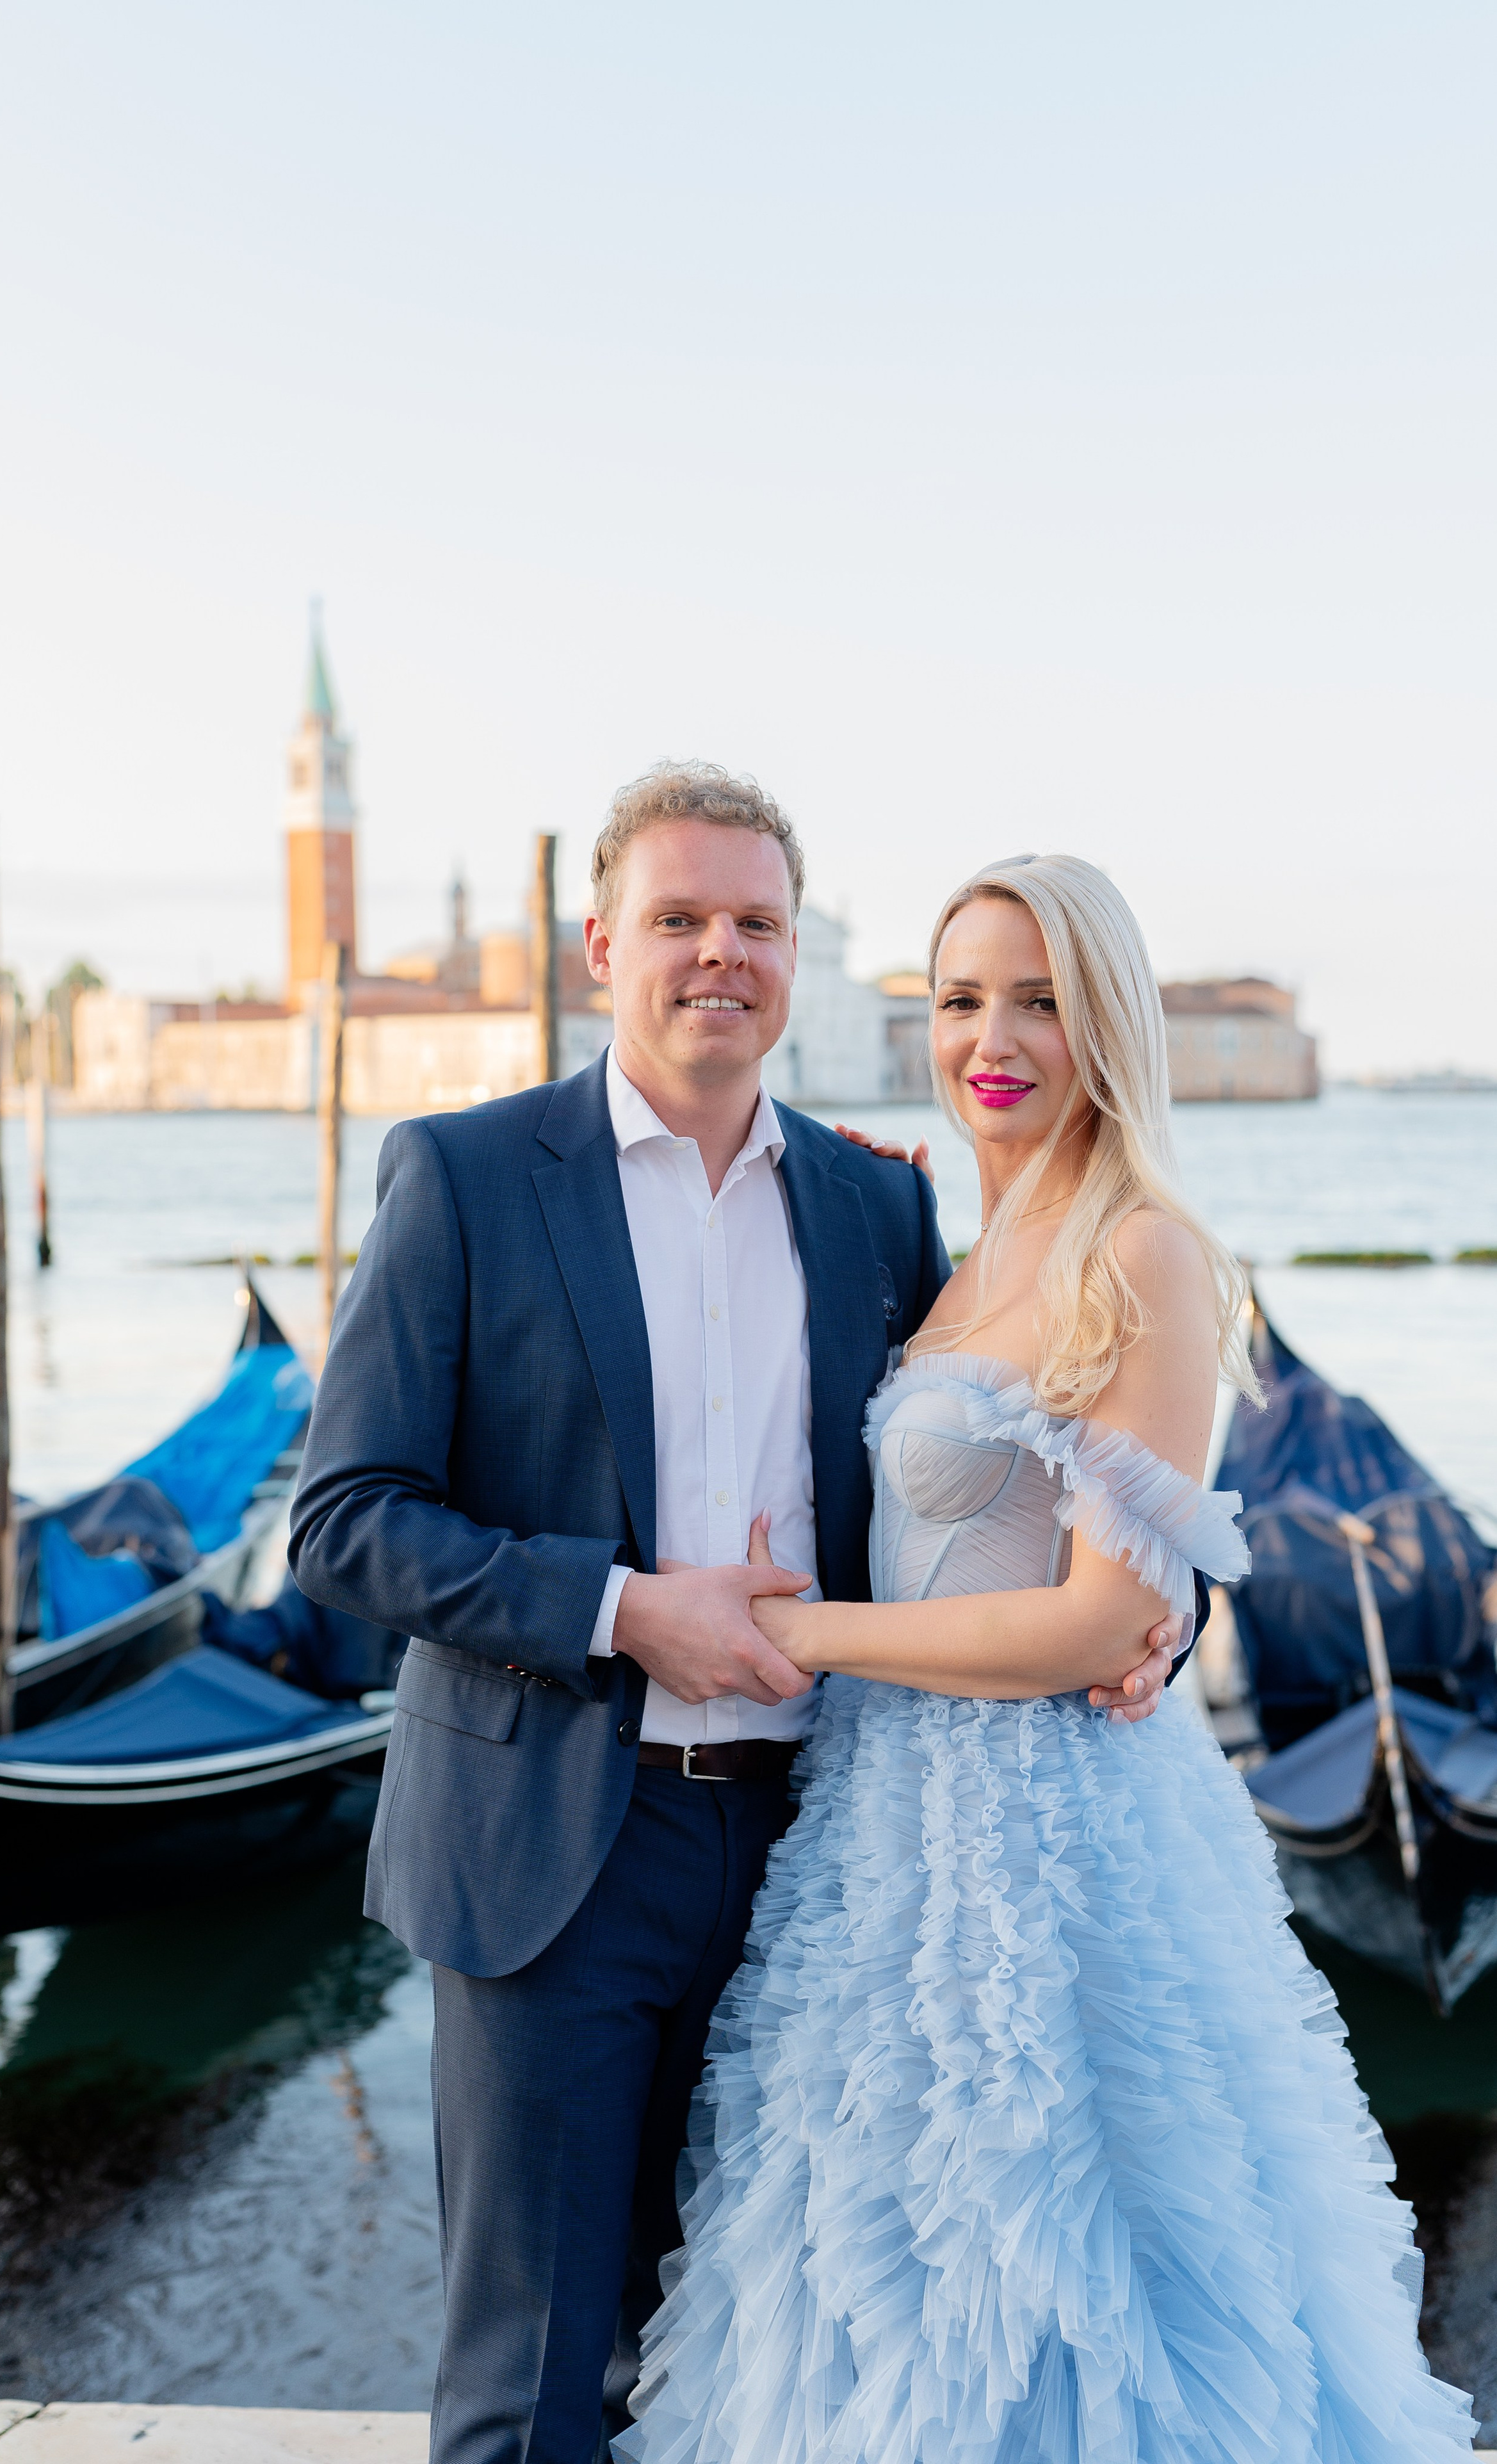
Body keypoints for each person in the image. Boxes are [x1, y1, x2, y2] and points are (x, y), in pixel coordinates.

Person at [289, 770, 1190, 2464]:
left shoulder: (876, 1208)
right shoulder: (471, 1179)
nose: (723, 954)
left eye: (758, 923)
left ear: (797, 952)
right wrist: (626, 1607)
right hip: (559, 1849)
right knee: (539, 2377)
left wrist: (1150, 1623)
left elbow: (1005, 1472)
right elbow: (344, 1524)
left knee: (753, 2360)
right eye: (683, 919)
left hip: (819, 1862)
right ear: (601, 942)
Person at [615, 851, 1475, 2464]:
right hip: (886, 1833)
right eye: (956, 1000)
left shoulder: (1139, 1249)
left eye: (1038, 1000)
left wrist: (789, 1631)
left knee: (1070, 2266)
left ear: (1107, 1023)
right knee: (876, 2271)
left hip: (1051, 1842)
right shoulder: (964, 1248)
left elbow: (1095, 1617)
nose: (987, 1037)